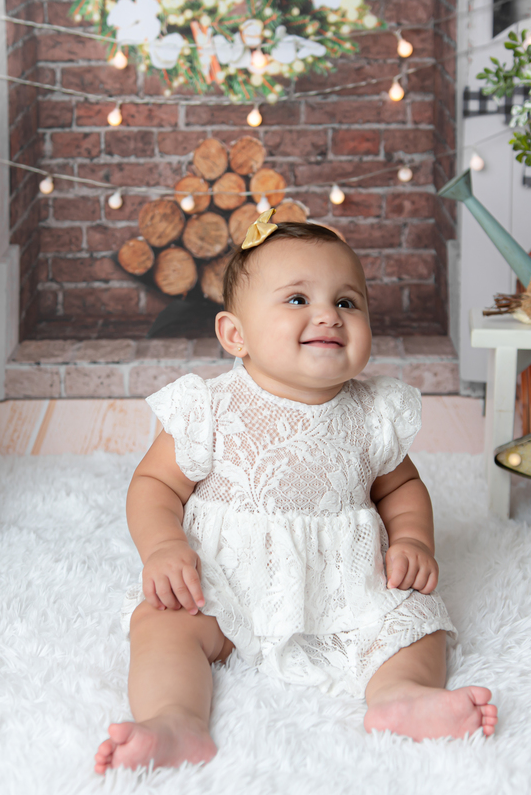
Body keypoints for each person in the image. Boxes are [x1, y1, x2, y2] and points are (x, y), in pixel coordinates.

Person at [95, 212, 497, 774]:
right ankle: (174, 720)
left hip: (344, 583)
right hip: (223, 580)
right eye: (296, 300)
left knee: (414, 617)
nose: (328, 315)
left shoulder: (372, 412)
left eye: (347, 302)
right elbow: (155, 483)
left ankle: (402, 694)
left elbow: (402, 486)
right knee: (163, 625)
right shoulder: (210, 408)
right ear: (235, 335)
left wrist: (413, 541)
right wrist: (163, 547)